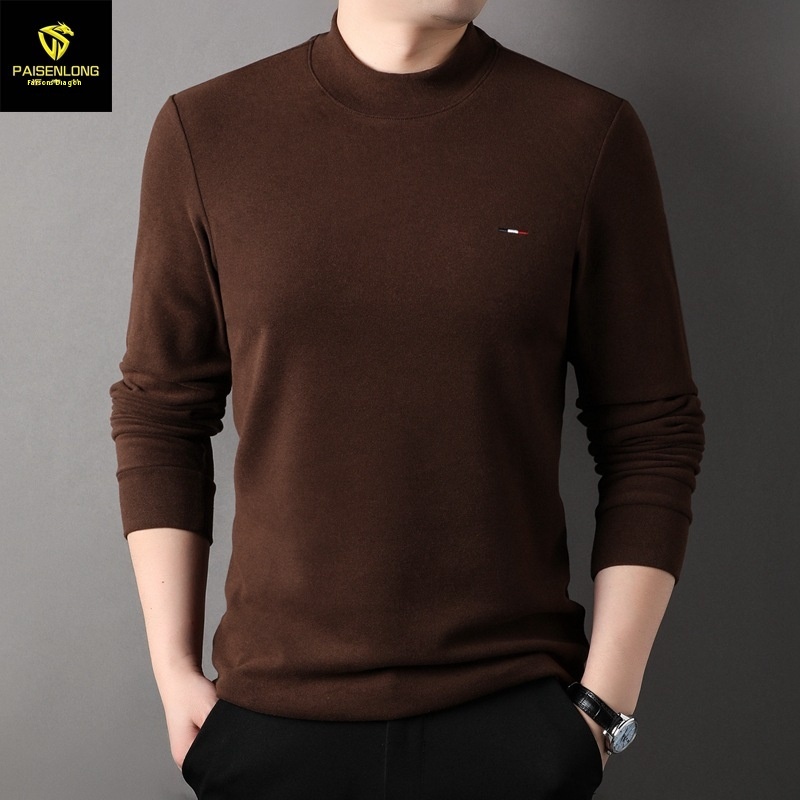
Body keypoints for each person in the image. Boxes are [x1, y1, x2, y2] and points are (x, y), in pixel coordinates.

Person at [108, 1, 706, 798]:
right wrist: (174, 671)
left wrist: (603, 707)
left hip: (514, 725)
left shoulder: (585, 133)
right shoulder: (208, 130)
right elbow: (161, 413)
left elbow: (652, 429)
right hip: (271, 724)